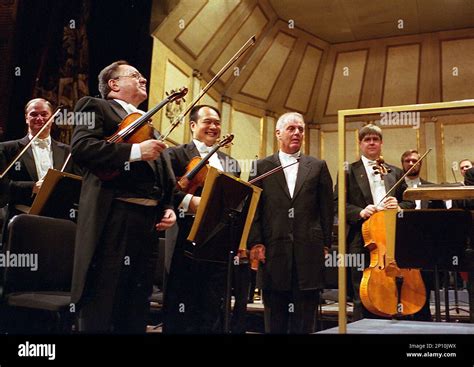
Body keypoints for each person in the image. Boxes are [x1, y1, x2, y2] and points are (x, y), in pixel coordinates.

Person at [70, 60, 176, 333]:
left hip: (147, 224)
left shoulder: (148, 125)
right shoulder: (94, 106)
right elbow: (82, 148)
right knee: (104, 296)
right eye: (135, 75)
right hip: (114, 218)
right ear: (113, 84)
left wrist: (168, 206)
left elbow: (164, 176)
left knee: (136, 301)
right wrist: (137, 152)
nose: (143, 80)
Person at [248, 112, 334, 334]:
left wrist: (325, 244)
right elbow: (253, 209)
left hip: (309, 253)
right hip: (273, 252)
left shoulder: (318, 166)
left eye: (301, 129)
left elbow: (326, 209)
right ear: (278, 133)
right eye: (291, 128)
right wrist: (255, 242)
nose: (297, 133)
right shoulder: (261, 166)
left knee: (305, 322)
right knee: (274, 320)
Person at [162, 104, 243, 334]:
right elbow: (167, 192)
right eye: (208, 121)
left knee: (211, 307)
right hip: (184, 239)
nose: (214, 127)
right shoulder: (175, 154)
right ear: (193, 125)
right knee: (180, 302)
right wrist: (192, 203)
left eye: (217, 123)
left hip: (218, 243)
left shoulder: (231, 164)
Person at [334, 124, 414, 321]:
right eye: (367, 140)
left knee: (395, 285)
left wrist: (399, 205)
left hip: (391, 238)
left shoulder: (394, 171)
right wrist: (360, 211)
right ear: (360, 144)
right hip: (361, 237)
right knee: (362, 289)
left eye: (375, 140)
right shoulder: (348, 170)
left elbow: (410, 201)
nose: (371, 143)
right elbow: (337, 203)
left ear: (381, 144)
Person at [400, 149, 447, 321]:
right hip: (401, 244)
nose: (411, 164)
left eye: (415, 161)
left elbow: (441, 217)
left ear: (420, 163)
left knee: (424, 288)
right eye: (408, 161)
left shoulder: (431, 188)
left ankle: (424, 321)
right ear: (402, 164)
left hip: (425, 247)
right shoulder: (396, 188)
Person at [0, 98, 71, 209]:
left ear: (52, 118)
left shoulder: (68, 152)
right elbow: (2, 186)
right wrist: (32, 187)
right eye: (33, 114)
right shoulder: (7, 149)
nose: (39, 118)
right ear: (26, 118)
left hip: (59, 217)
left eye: (44, 114)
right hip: (22, 215)